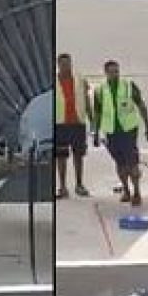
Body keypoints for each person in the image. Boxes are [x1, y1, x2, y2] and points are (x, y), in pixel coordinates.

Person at [93, 60, 148, 207]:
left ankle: (137, 192)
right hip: (111, 132)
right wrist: (95, 133)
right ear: (106, 73)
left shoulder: (128, 85)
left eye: (117, 71)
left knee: (132, 162)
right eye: (112, 72)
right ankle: (126, 190)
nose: (115, 74)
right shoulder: (100, 90)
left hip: (128, 130)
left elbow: (141, 105)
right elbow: (98, 113)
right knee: (120, 163)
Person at [55, 53, 94, 198]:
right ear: (58, 65)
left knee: (78, 155)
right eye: (63, 64)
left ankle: (79, 184)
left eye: (68, 63)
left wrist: (91, 119)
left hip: (77, 122)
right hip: (60, 124)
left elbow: (86, 99)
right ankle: (62, 187)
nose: (66, 67)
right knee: (61, 156)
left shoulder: (80, 79)